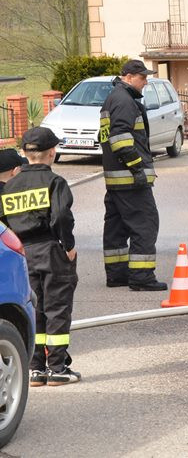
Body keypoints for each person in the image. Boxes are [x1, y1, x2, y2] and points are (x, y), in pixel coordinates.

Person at [0, 127, 80, 386]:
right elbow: (61, 217)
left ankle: (34, 369)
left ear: (25, 153)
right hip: (51, 249)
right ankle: (57, 368)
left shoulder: (9, 187)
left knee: (34, 309)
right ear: (52, 152)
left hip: (22, 253)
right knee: (57, 308)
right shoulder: (55, 182)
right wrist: (68, 245)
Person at [100, 59, 168, 291]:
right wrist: (138, 169)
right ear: (128, 77)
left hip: (116, 180)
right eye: (143, 78)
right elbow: (120, 140)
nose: (146, 82)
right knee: (145, 224)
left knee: (116, 228)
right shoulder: (124, 101)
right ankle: (141, 277)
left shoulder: (113, 99)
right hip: (130, 180)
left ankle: (118, 275)